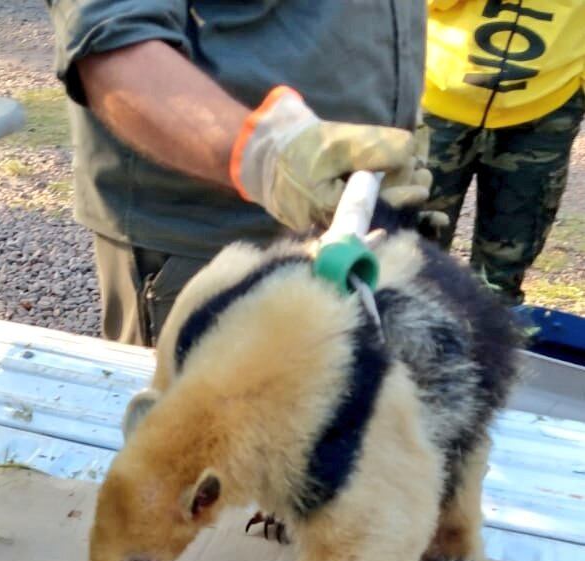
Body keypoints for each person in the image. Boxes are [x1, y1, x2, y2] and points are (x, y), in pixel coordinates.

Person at [47, 1, 432, 345]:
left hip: (354, 230)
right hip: (211, 246)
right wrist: (272, 161)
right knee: (198, 425)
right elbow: (114, 47)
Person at [423, 0, 585, 306]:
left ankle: (487, 347)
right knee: (407, 257)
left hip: (547, 107)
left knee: (500, 280)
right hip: (436, 95)